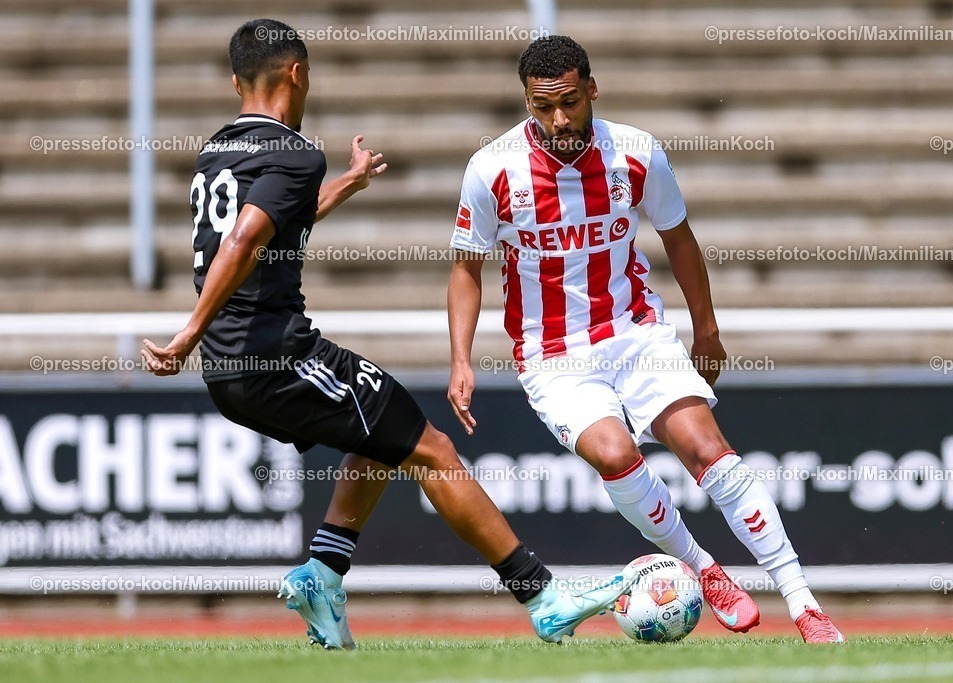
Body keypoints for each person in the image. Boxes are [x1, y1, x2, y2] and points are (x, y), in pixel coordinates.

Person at [142, 19, 633, 650]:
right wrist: (188, 333)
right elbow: (243, 241)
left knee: (382, 434)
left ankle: (323, 572)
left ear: (237, 81)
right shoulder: (294, 152)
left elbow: (269, 223)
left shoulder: (217, 151)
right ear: (299, 73)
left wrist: (345, 184)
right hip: (273, 355)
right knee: (431, 448)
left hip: (234, 366)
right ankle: (542, 595)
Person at [447, 35, 844, 643]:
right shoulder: (492, 169)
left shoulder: (636, 152)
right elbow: (466, 268)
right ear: (526, 101)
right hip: (552, 354)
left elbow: (679, 238)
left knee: (708, 449)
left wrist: (706, 330)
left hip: (637, 332)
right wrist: (460, 360)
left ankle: (804, 602)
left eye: (570, 103)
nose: (558, 119)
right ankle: (705, 569)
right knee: (613, 454)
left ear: (592, 90)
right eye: (542, 107)